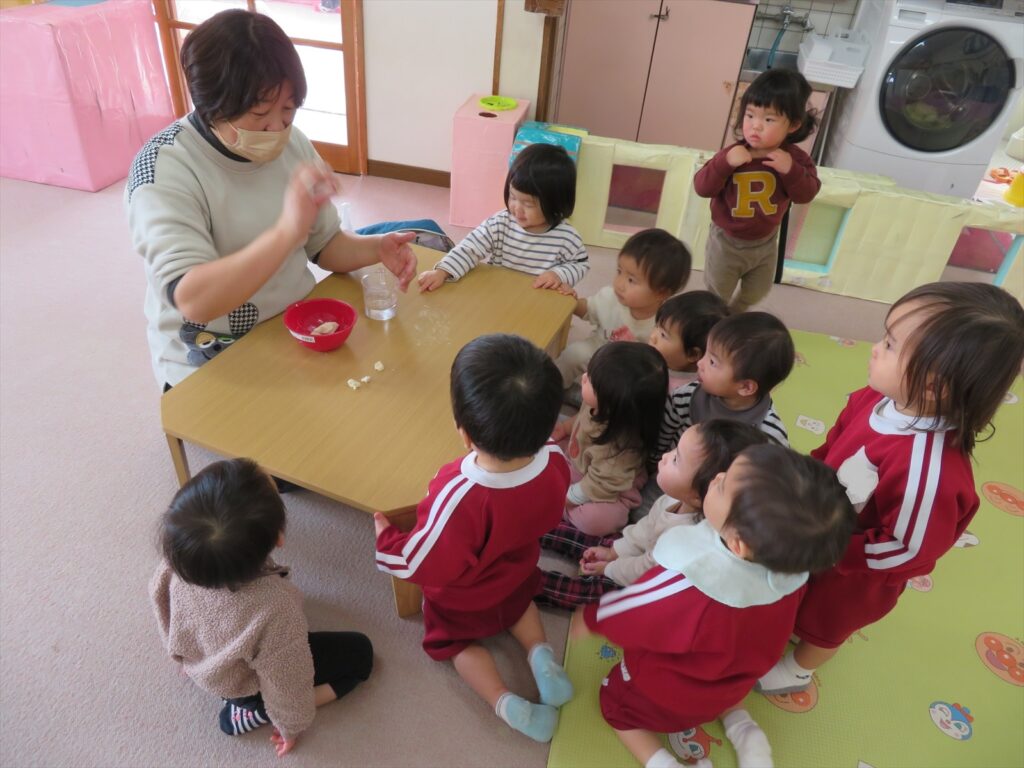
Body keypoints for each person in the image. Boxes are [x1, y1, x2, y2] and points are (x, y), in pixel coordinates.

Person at [757, 282, 1024, 697]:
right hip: (821, 531)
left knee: (825, 625)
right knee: (795, 595)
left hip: (856, 574)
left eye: (890, 345)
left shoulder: (929, 471)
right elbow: (834, 444)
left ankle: (798, 669)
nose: (875, 348)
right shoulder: (875, 398)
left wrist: (830, 549)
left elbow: (908, 550)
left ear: (936, 386)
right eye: (885, 336)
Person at [126, 10, 417, 389]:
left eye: (288, 109)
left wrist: (376, 248)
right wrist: (287, 230)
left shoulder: (292, 142)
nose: (277, 129)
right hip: (212, 354)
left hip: (294, 325)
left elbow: (324, 244)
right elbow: (193, 298)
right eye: (260, 113)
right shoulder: (164, 169)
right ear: (211, 105)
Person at [574, 445, 856, 768]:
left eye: (722, 486)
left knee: (614, 707)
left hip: (671, 692)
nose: (717, 476)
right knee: (720, 678)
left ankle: (664, 763)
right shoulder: (791, 572)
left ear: (738, 543)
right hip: (729, 684)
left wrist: (594, 618)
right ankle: (745, 730)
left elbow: (637, 609)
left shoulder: (696, 577)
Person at [374, 334, 574, 743]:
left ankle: (506, 703)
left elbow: (421, 561)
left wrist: (387, 539)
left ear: (464, 434)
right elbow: (553, 509)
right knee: (521, 607)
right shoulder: (555, 459)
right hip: (518, 574)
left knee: (455, 644)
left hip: (462, 601)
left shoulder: (459, 491)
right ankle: (542, 658)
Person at [150, 458, 373, 756]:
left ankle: (223, 685)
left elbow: (162, 605)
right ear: (279, 537)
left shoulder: (180, 557)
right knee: (361, 654)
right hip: (243, 685)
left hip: (203, 661)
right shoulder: (275, 609)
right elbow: (287, 680)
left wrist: (181, 657)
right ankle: (256, 711)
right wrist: (289, 724)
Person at [538, 420, 767, 609]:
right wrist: (615, 551)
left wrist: (609, 568)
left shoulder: (684, 540)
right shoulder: (677, 497)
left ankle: (529, 584)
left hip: (645, 586)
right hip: (644, 557)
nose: (666, 456)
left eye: (677, 460)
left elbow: (644, 571)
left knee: (593, 592)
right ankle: (535, 527)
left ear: (699, 496)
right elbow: (645, 528)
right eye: (675, 449)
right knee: (600, 542)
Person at [695, 69, 820, 313]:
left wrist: (791, 170)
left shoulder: (795, 159)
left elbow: (806, 194)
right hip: (726, 241)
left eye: (769, 120)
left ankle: (735, 312)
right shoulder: (732, 154)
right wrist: (725, 163)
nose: (755, 126)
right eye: (750, 115)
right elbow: (702, 187)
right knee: (716, 293)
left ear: (793, 125)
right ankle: (714, 322)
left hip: (765, 243)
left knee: (758, 291)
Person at [417, 143, 588, 292]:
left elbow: (580, 264)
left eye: (528, 204)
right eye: (513, 197)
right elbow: (470, 247)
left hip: (539, 299)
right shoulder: (500, 223)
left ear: (556, 202)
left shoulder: (567, 237)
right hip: (498, 293)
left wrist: (558, 274)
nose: (517, 208)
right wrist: (442, 271)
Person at [549, 341, 668, 537]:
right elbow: (581, 418)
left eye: (591, 382)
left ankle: (565, 511)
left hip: (610, 485)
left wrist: (567, 499)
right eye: (588, 372)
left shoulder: (619, 448)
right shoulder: (597, 404)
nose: (584, 378)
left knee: (599, 520)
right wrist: (564, 428)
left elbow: (600, 484)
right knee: (539, 443)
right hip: (580, 462)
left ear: (614, 405)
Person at [555, 229, 690, 398]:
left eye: (631, 280)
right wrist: (571, 301)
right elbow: (588, 309)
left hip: (630, 370)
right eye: (619, 271)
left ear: (661, 293)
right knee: (572, 355)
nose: (619, 283)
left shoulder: (664, 324)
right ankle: (553, 388)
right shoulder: (610, 297)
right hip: (598, 348)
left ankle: (595, 402)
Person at [656, 311, 792, 456]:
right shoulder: (684, 397)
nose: (700, 363)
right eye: (706, 353)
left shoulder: (768, 434)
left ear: (746, 387)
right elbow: (662, 440)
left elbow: (775, 473)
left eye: (712, 362)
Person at [648, 291, 730, 393]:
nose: (652, 337)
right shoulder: (656, 359)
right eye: (657, 326)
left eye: (663, 335)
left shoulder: (686, 393)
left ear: (693, 354)